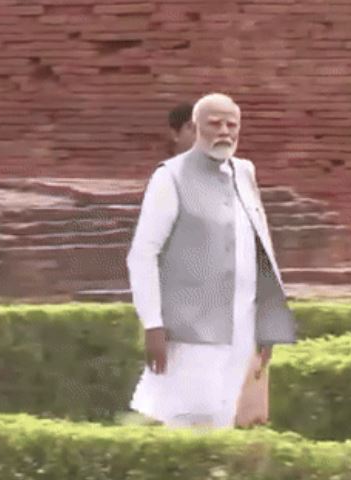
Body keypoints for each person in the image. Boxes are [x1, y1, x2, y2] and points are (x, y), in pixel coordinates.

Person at [126, 93, 296, 429]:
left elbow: (262, 246)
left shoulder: (244, 173)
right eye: (214, 124)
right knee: (187, 413)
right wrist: (153, 324)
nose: (224, 132)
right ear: (196, 127)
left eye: (231, 125)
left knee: (232, 414)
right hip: (191, 323)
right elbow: (143, 253)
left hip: (245, 320)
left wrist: (269, 321)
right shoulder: (170, 176)